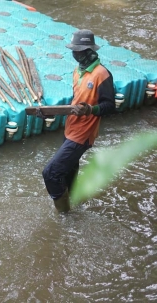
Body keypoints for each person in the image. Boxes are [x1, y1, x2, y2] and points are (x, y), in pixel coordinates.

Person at [42, 29, 116, 212]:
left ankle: (64, 214)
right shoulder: (77, 71)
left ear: (90, 51)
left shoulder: (102, 74)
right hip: (70, 129)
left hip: (83, 135)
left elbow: (110, 106)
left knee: (51, 173)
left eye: (79, 51)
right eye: (74, 51)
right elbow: (75, 102)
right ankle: (74, 201)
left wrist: (91, 109)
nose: (75, 54)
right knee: (68, 171)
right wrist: (51, 112)